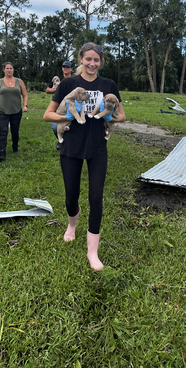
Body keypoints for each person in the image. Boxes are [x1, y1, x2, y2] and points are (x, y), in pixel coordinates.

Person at [43, 43, 126, 271]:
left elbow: (122, 116)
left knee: (96, 197)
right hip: (71, 147)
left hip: (98, 148)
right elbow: (47, 114)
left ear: (100, 62)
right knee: (71, 196)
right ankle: (72, 223)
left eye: (96, 60)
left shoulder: (108, 85)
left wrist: (109, 114)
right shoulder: (69, 83)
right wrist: (66, 115)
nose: (92, 64)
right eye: (88, 59)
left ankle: (93, 251)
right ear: (80, 58)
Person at [0, 61, 28, 162]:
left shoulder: (19, 82)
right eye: (7, 68)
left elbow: (25, 95)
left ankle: (15, 147)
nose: (9, 70)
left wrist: (25, 105)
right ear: (4, 70)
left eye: (11, 68)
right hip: (2, 110)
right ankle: (2, 152)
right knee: (3, 131)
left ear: (13, 70)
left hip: (16, 110)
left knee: (15, 130)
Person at [46, 61, 73, 147]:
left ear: (71, 69)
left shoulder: (74, 80)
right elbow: (47, 90)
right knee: (55, 127)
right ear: (62, 69)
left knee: (71, 127)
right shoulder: (57, 79)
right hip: (58, 108)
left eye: (67, 67)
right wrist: (58, 89)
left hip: (71, 107)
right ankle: (60, 139)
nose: (65, 69)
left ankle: (68, 142)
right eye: (64, 67)